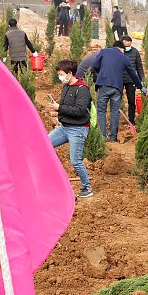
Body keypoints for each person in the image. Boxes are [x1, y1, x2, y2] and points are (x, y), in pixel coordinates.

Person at [77, 41, 146, 142]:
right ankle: (113, 137)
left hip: (103, 85)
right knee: (114, 112)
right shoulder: (124, 57)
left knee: (101, 110)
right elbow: (132, 73)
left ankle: (102, 136)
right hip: (117, 87)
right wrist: (140, 86)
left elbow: (95, 66)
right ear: (121, 49)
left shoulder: (103, 52)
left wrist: (103, 72)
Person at [47, 59, 94, 199]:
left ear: (70, 73)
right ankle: (47, 179)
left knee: (75, 161)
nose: (59, 77)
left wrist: (59, 108)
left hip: (77, 129)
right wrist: (57, 107)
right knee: (44, 145)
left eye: (61, 74)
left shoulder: (82, 89)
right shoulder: (66, 87)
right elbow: (66, 106)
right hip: (64, 127)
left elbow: (80, 111)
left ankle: (87, 187)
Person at [120, 35, 145, 126]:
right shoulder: (118, 52)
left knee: (131, 101)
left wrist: (142, 79)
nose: (128, 47)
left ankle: (131, 120)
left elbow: (139, 67)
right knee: (117, 100)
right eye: (126, 46)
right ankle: (118, 118)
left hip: (131, 80)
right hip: (119, 80)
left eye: (129, 45)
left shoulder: (135, 52)